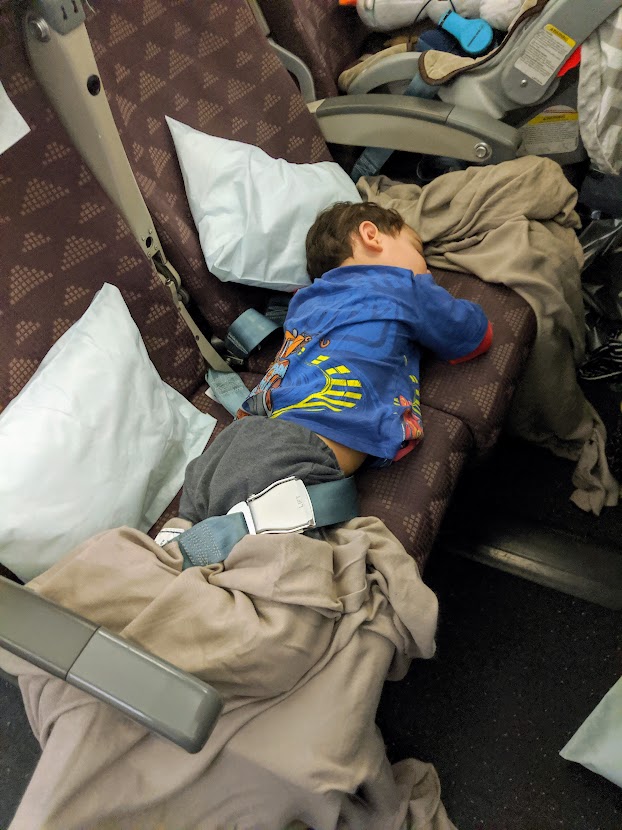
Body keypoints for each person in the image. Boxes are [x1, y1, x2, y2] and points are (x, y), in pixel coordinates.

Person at [179, 201, 491, 524]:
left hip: (240, 436)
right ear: (372, 235)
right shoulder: (402, 285)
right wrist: (424, 286)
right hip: (296, 446)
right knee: (265, 548)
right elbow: (474, 335)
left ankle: (178, 540)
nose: (426, 268)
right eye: (418, 252)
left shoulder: (305, 301)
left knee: (192, 530)